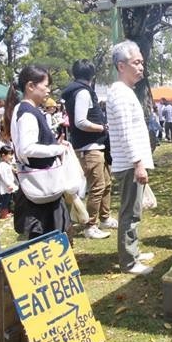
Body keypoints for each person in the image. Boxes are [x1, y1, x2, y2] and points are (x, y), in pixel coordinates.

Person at [4, 65, 72, 241]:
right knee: (48, 237)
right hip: (41, 187)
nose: (48, 90)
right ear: (30, 86)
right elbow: (27, 148)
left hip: (37, 186)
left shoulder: (22, 109)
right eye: (46, 85)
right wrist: (57, 149)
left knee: (46, 237)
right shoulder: (27, 113)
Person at [106, 40, 155, 275]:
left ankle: (133, 252)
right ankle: (129, 261)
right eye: (136, 63)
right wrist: (138, 164)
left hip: (132, 162)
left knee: (134, 212)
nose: (141, 67)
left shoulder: (126, 92)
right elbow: (126, 133)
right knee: (130, 213)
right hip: (129, 164)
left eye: (142, 63)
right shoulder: (120, 94)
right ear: (121, 66)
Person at [62, 59, 115, 240]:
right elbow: (80, 121)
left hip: (94, 146)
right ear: (92, 75)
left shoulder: (77, 91)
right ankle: (90, 225)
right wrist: (102, 128)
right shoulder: (83, 93)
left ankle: (105, 217)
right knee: (98, 186)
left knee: (106, 183)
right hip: (89, 147)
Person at [0, 145, 17, 219]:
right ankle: (4, 214)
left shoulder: (7, 164)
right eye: (10, 154)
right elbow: (4, 177)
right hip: (5, 186)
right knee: (5, 200)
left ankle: (6, 212)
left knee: (7, 200)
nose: (11, 157)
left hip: (8, 186)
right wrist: (9, 184)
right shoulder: (2, 165)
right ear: (3, 155)